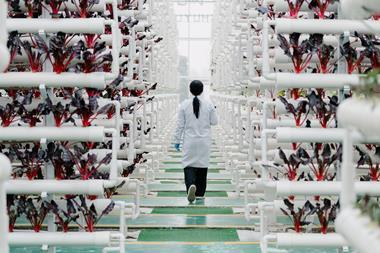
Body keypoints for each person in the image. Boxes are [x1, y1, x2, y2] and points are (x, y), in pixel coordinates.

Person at [173, 80, 218, 203]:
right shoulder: (209, 104)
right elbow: (214, 122)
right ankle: (200, 193)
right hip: (204, 142)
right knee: (202, 167)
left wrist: (177, 141)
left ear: (190, 90)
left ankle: (190, 186)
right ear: (202, 90)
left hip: (190, 141)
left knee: (188, 165)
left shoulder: (184, 105)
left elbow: (180, 126)